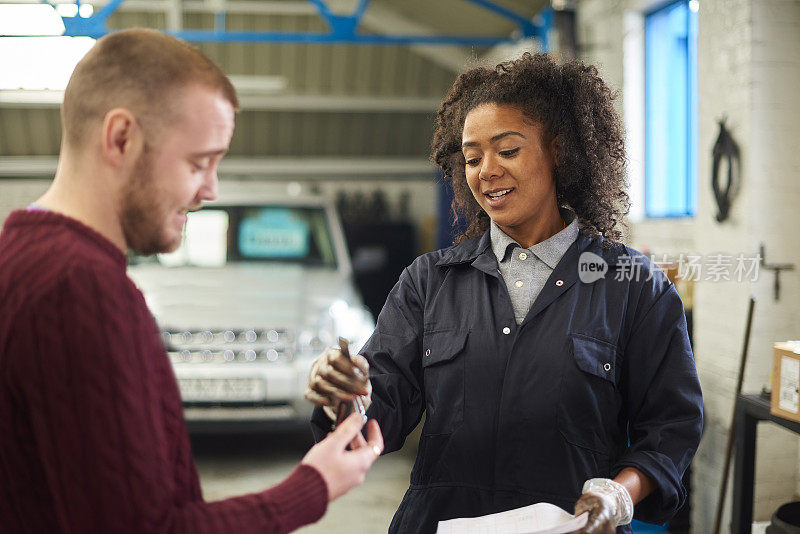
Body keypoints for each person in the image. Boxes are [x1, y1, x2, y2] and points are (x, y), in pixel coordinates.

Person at [0, 28, 383, 534]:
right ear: (121, 139)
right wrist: (314, 484)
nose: (210, 189)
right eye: (198, 163)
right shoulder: (83, 288)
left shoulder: (18, 255)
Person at [306, 53, 703, 534]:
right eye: (472, 158)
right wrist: (345, 397)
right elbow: (379, 413)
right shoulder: (429, 282)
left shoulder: (634, 287)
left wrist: (619, 494)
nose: (486, 171)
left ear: (558, 151)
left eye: (507, 150)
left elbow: (670, 429)